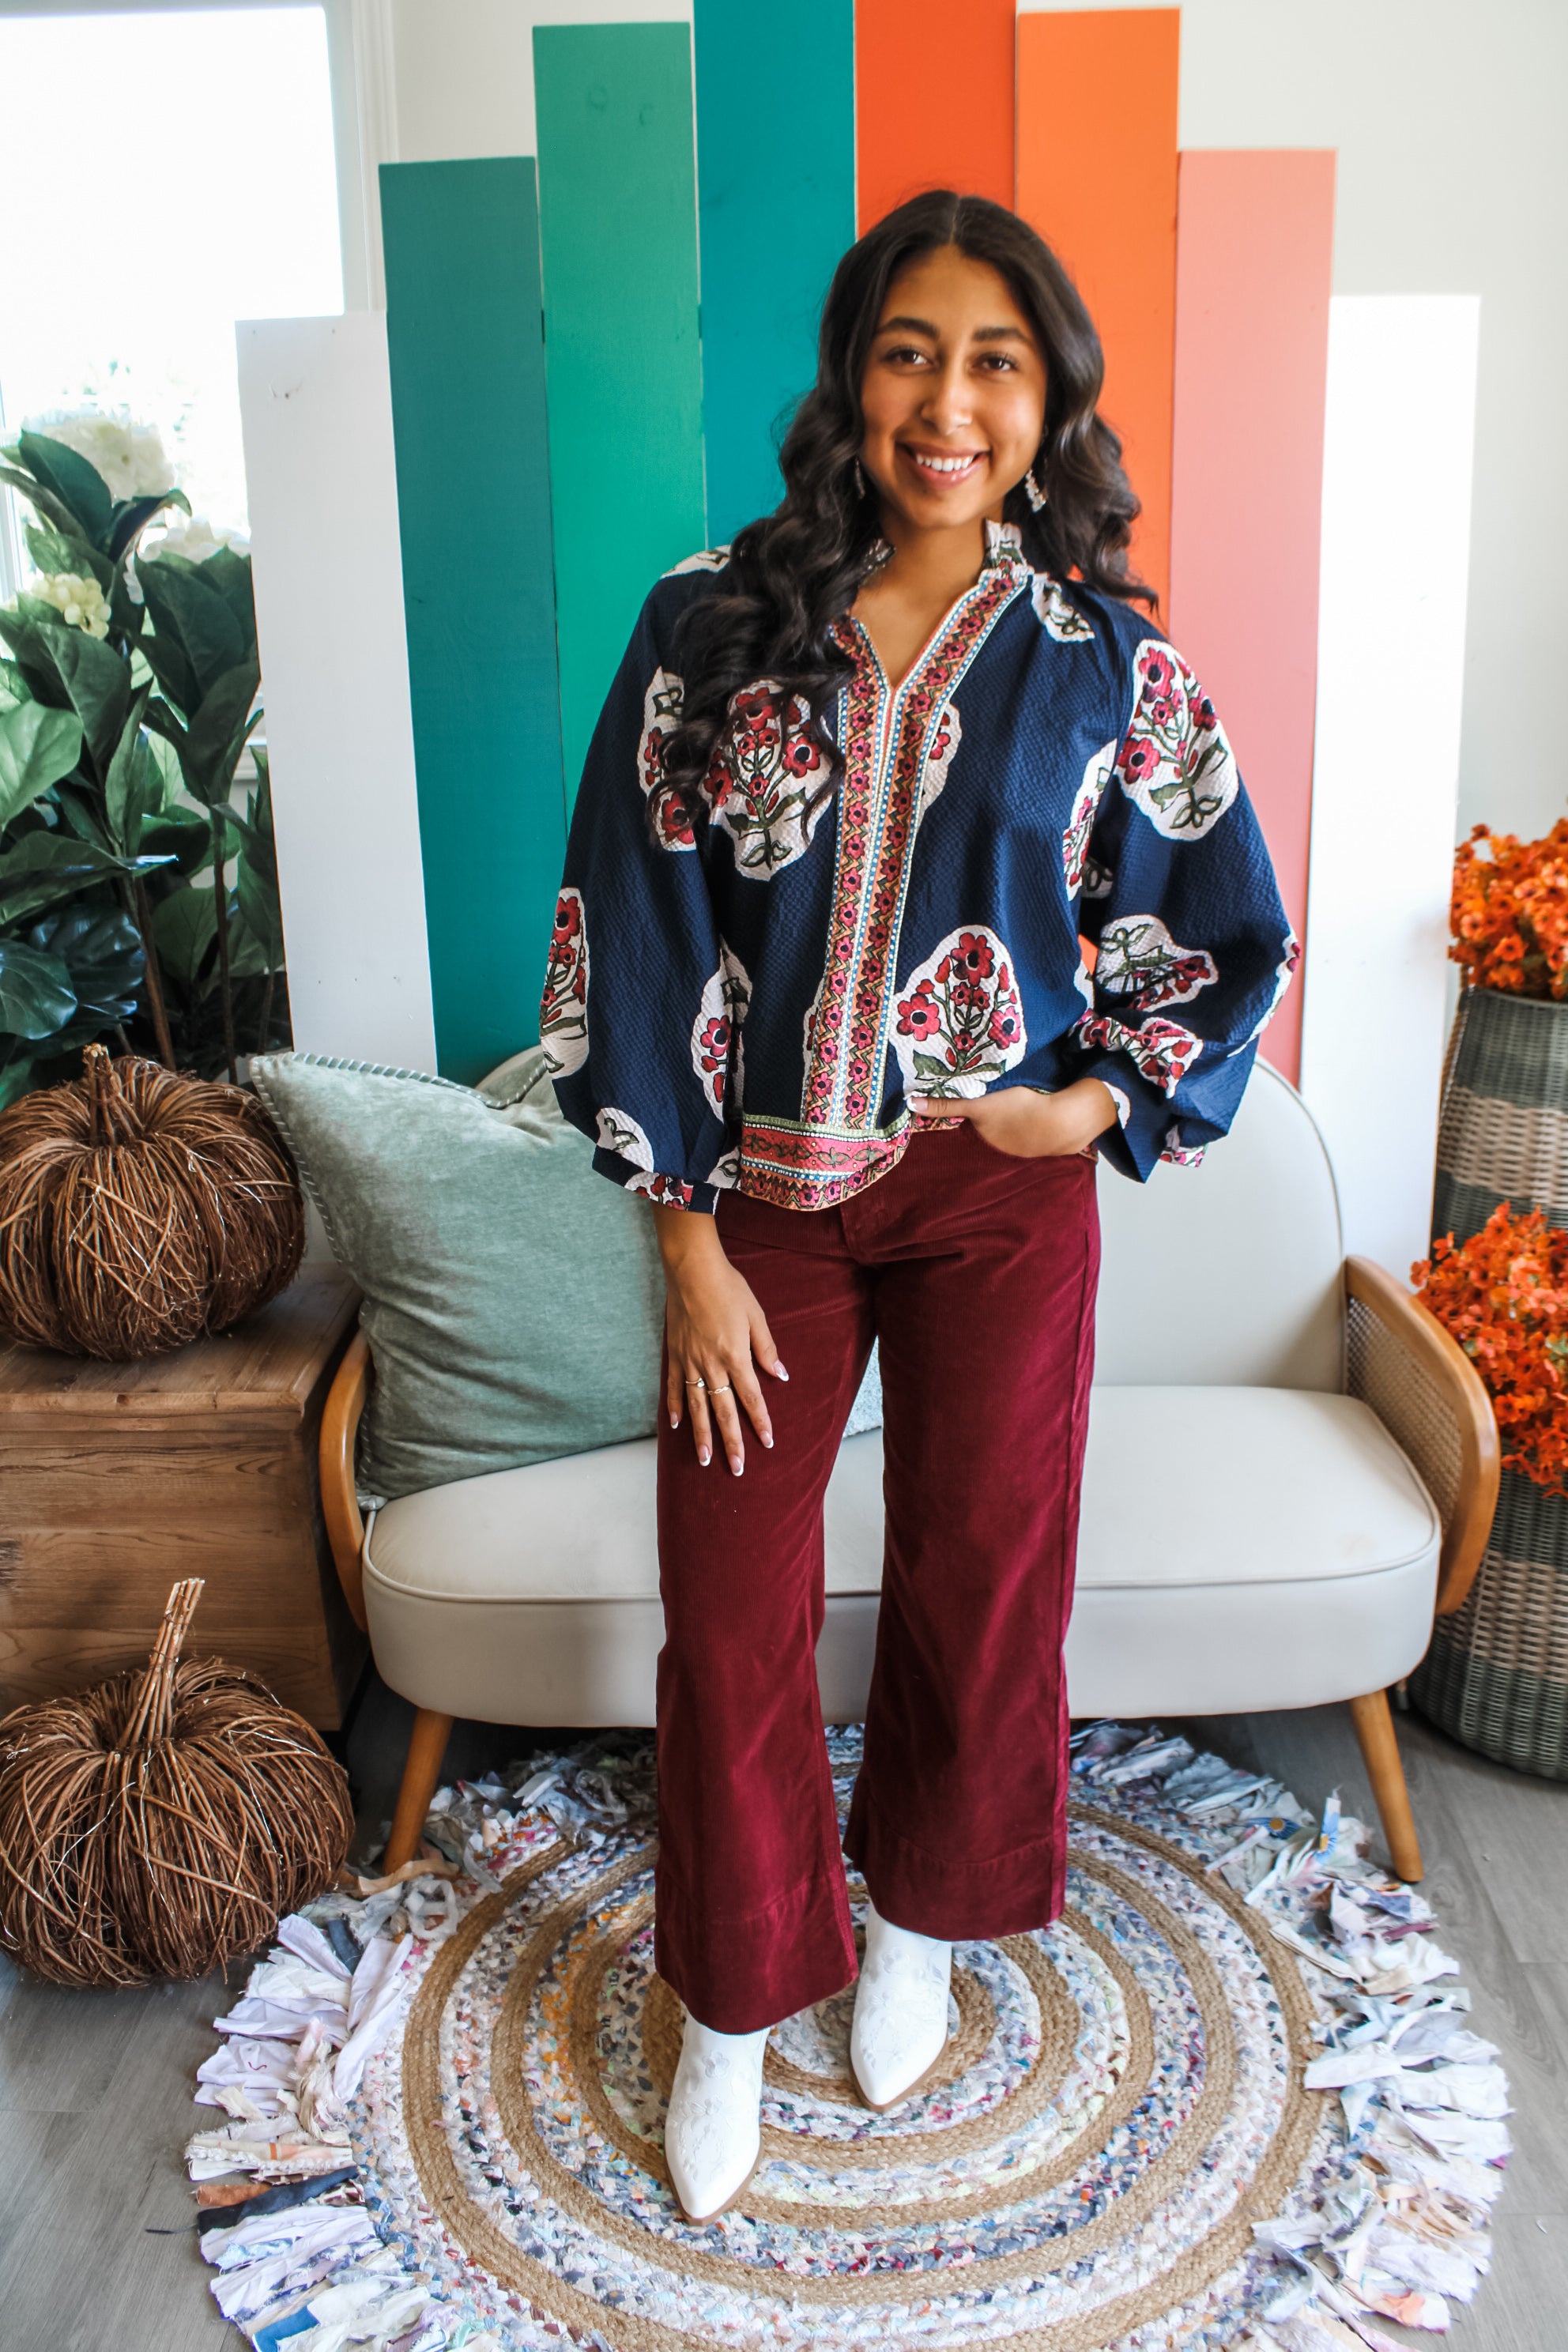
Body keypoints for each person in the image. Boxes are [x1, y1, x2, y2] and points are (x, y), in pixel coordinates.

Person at [541, 190, 1294, 2223]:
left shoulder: (1104, 661)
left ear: (1047, 402)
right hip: (760, 1207)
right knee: (731, 1612)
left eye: (991, 361)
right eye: (906, 352)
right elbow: (631, 925)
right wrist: (684, 1243)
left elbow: (1222, 928)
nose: (946, 402)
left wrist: (1084, 1107)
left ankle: (916, 1931)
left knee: (981, 1579)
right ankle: (727, 2004)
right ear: (847, 380)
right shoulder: (707, 624)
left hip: (993, 1208)